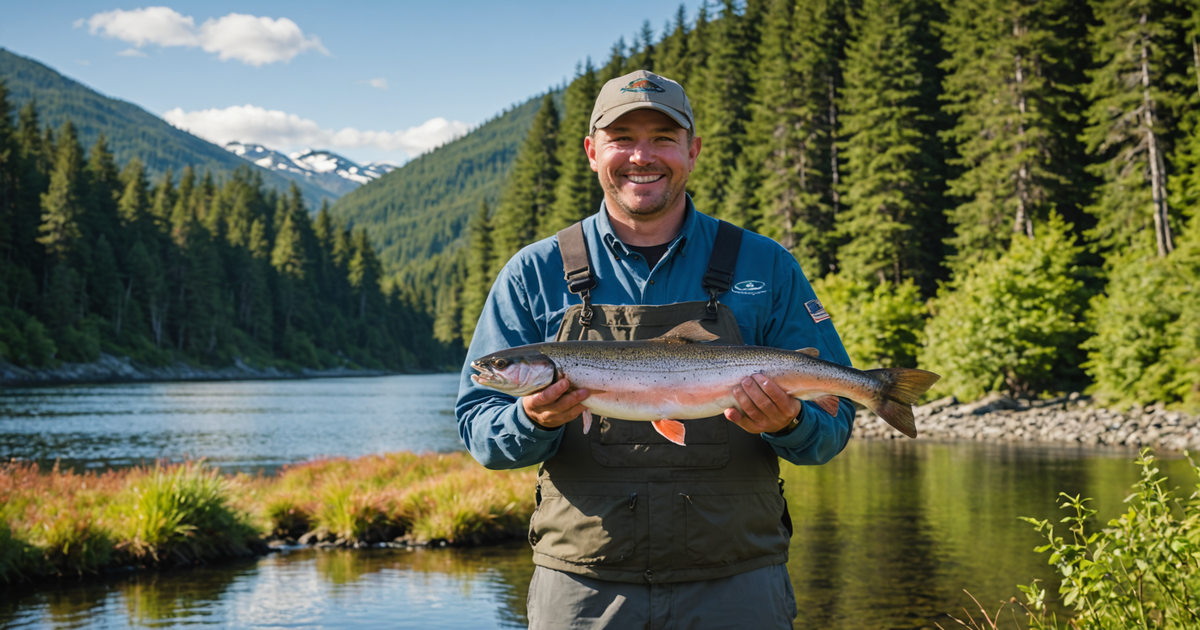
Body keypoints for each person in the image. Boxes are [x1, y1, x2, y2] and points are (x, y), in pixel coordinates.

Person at [456, 70, 856, 629]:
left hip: (738, 586)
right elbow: (481, 433)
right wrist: (531, 419)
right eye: (622, 138)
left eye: (663, 138)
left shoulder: (766, 265)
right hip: (582, 590)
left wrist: (790, 423)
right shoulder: (533, 272)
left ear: (692, 151)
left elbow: (830, 434)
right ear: (593, 151)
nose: (642, 156)